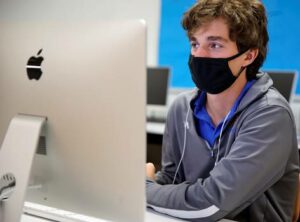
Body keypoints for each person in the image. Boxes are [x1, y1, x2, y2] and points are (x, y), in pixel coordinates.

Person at [146, 0, 299, 221]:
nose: (199, 55)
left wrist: (144, 189)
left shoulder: (270, 115)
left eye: (215, 45)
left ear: (249, 55)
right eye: (194, 44)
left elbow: (211, 203)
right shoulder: (181, 107)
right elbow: (171, 179)